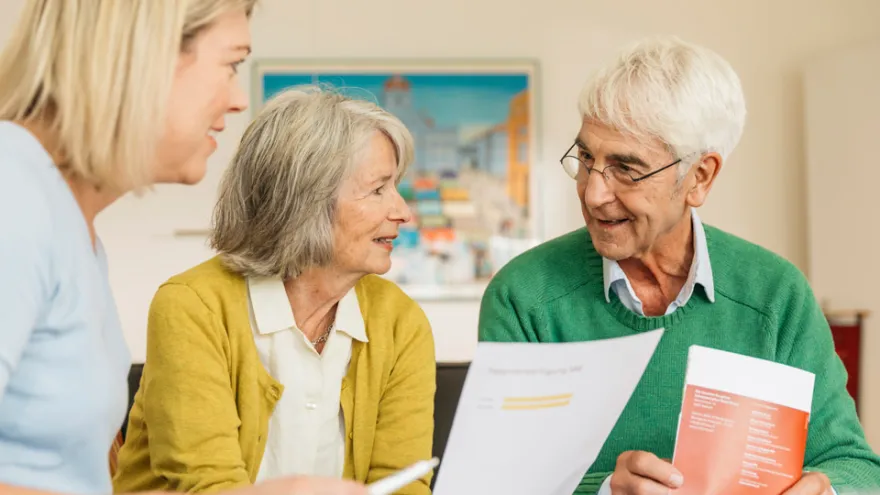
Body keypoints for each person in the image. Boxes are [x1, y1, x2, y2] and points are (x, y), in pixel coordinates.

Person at [478, 36, 880, 495]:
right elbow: (495, 481)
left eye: (627, 169)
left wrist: (826, 490)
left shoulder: (775, 294)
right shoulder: (524, 297)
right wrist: (605, 490)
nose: (593, 193)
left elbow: (855, 465)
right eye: (587, 158)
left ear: (699, 177)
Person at [0, 2, 367, 495]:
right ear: (142, 57)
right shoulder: (13, 198)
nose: (239, 100)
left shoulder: (70, 228)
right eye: (231, 63)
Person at [112, 86, 436, 494]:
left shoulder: (401, 322)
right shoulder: (193, 306)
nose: (402, 212)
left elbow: (403, 484)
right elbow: (209, 486)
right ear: (305, 200)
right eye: (378, 190)